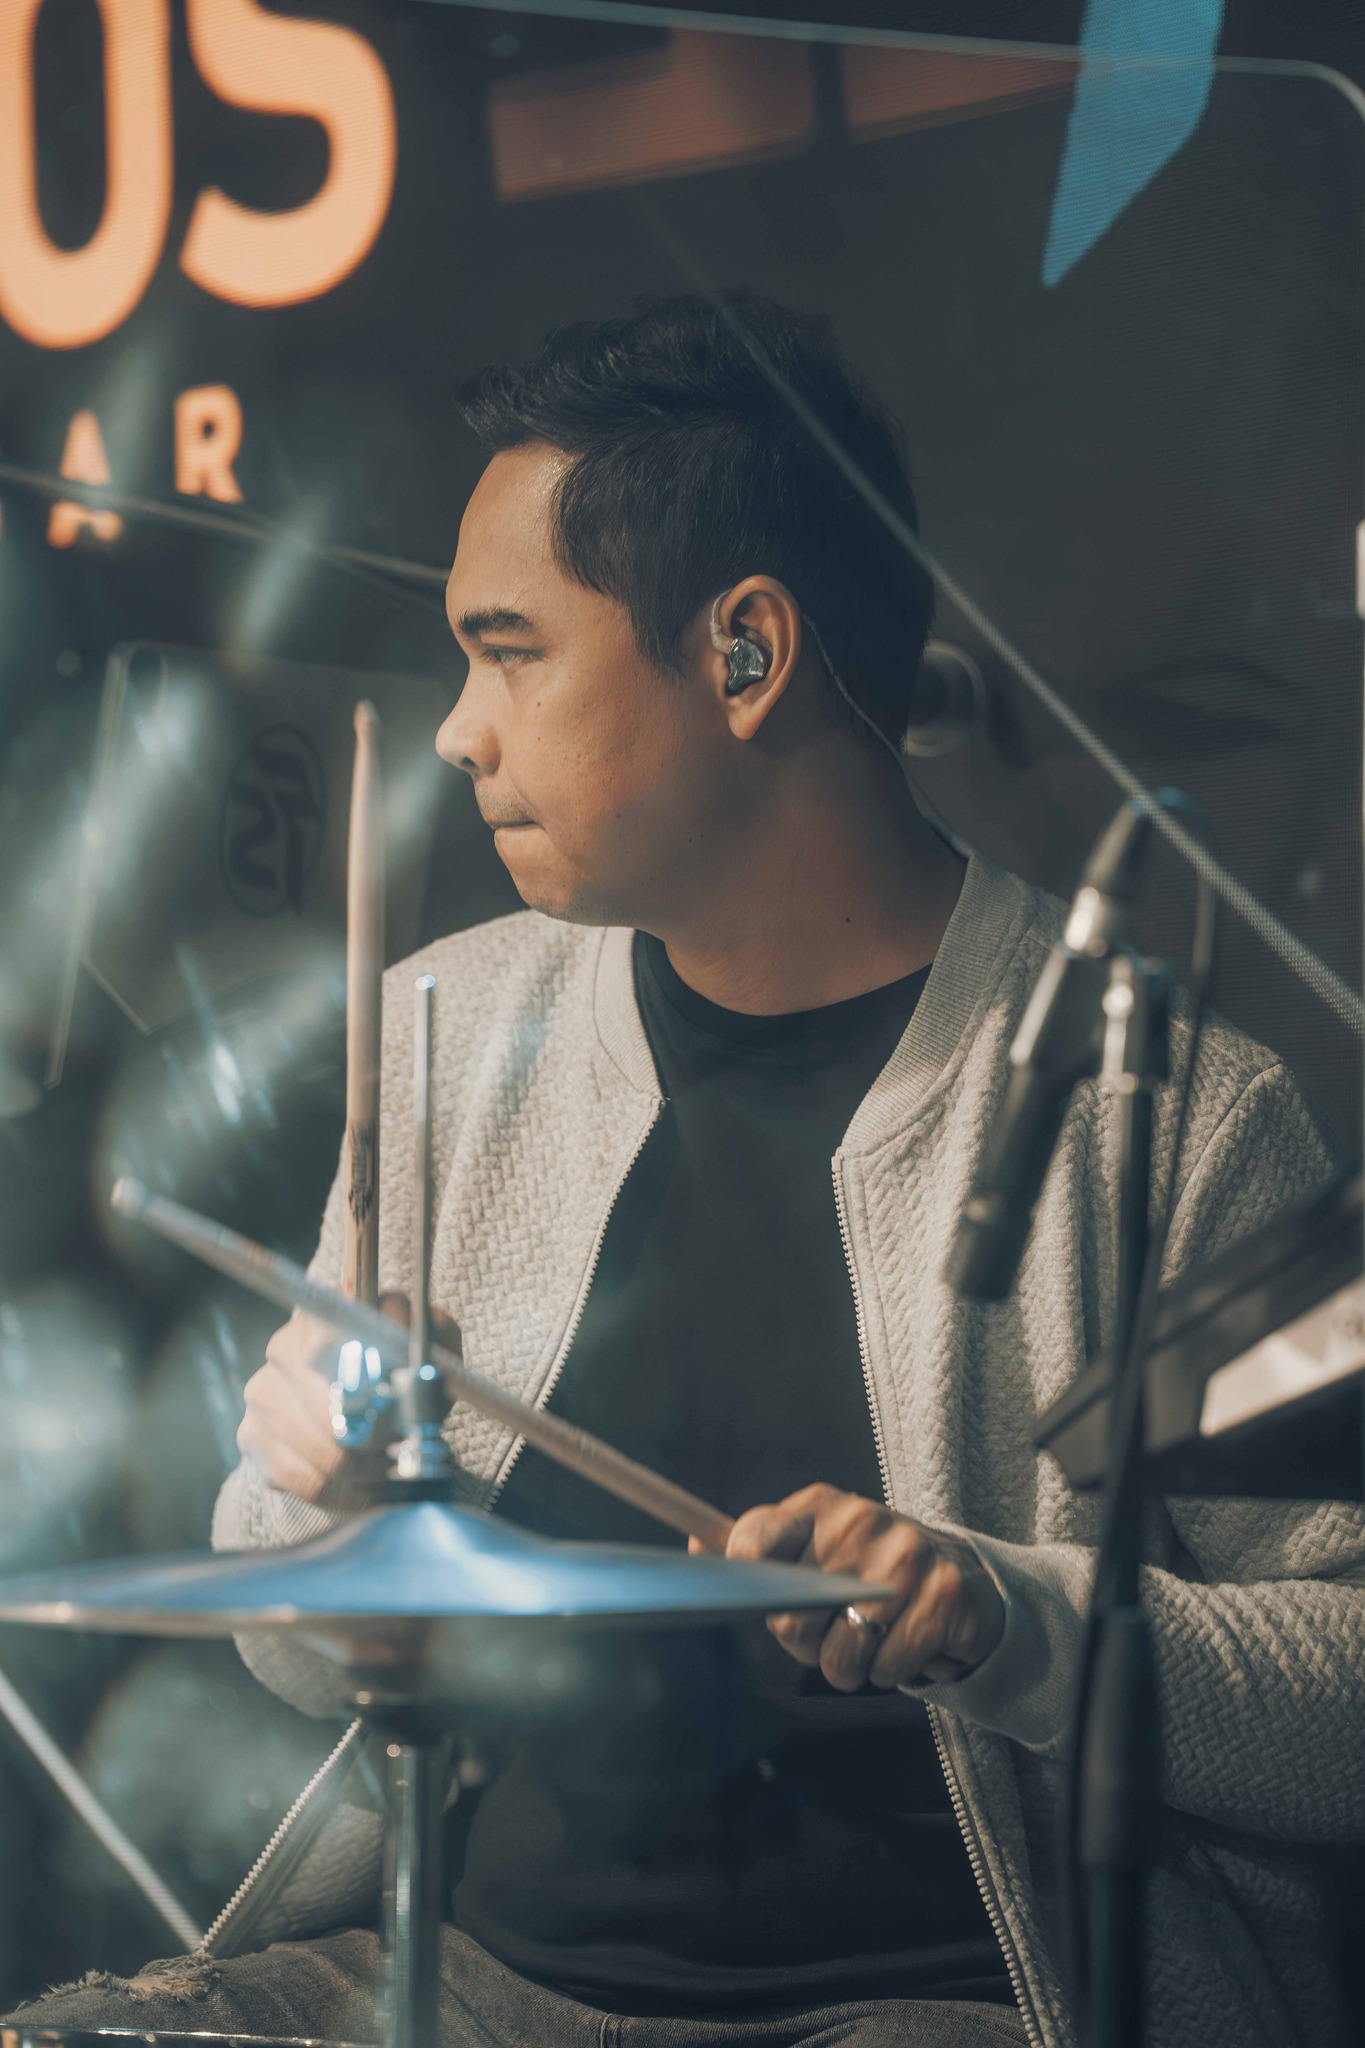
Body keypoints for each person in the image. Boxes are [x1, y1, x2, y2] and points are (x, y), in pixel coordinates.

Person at [10, 294, 1361, 2048]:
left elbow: (1346, 1702)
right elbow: (305, 1648)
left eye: (510, 653)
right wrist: (320, 1505)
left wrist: (1006, 1620)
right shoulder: (448, 1032)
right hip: (475, 1984)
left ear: (745, 653)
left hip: (947, 2005)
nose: (456, 731)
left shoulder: (1167, 1113)